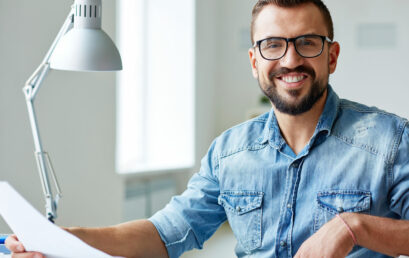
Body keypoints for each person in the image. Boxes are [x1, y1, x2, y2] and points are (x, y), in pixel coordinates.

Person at [6, 0, 409, 257]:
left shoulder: (390, 141)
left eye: (307, 43)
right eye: (273, 45)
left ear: (331, 56)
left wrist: (354, 226)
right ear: (254, 61)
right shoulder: (229, 152)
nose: (290, 59)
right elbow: (165, 234)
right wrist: (63, 239)